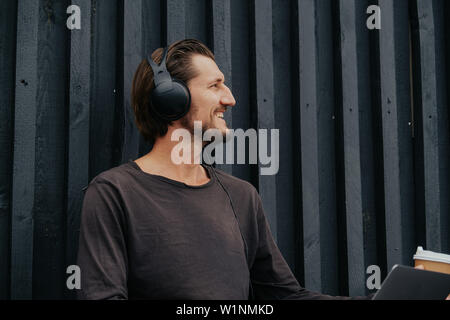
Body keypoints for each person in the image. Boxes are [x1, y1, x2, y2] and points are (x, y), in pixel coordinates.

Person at [75, 39, 446, 300]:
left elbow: (284, 296)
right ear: (171, 99)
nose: (229, 98)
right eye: (216, 85)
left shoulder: (241, 196)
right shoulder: (113, 193)